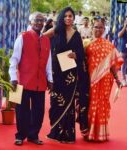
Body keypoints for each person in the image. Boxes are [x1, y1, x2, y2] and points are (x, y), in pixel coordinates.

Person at [43, 7, 89, 143]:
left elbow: (81, 54)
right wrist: (26, 34)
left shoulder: (76, 34)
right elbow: (40, 38)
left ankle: (67, 135)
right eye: (66, 16)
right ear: (62, 17)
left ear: (74, 18)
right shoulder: (56, 31)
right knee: (55, 102)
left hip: (70, 75)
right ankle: (55, 132)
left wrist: (76, 54)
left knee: (68, 105)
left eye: (70, 16)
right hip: (56, 73)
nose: (68, 18)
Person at [9, 12, 53, 146]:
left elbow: (48, 62)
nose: (39, 22)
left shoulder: (46, 40)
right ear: (31, 22)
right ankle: (20, 135)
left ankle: (33, 135)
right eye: (36, 20)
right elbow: (14, 59)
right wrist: (13, 77)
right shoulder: (22, 37)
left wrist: (50, 79)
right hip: (23, 81)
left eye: (41, 20)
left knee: (38, 111)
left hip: (40, 82)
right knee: (22, 110)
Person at [86, 18, 123, 142]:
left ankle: (102, 134)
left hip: (106, 80)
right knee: (91, 104)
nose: (98, 29)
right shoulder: (86, 43)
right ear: (92, 28)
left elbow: (113, 64)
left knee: (102, 104)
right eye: (96, 27)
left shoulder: (109, 45)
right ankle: (90, 133)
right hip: (91, 80)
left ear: (104, 29)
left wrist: (117, 79)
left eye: (101, 27)